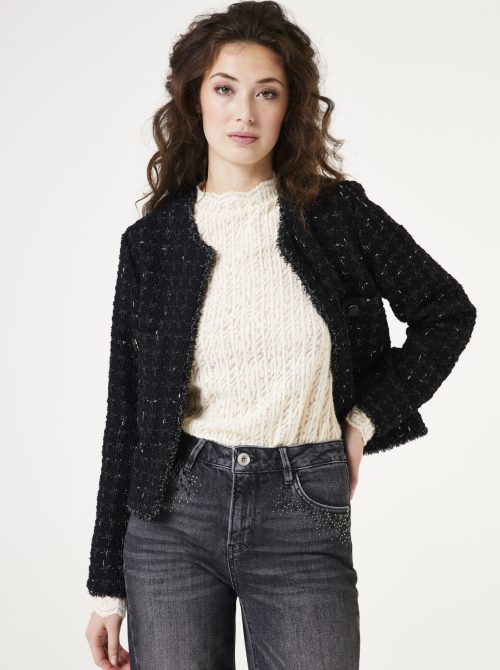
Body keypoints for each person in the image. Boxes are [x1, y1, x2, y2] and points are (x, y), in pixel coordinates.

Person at [84, 2, 477, 669]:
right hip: (172, 515)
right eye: (225, 89)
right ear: (195, 99)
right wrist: (106, 589)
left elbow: (447, 312)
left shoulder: (337, 215)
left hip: (302, 505)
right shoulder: (151, 244)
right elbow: (127, 414)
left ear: (289, 106)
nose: (244, 113)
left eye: (266, 93)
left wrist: (360, 422)